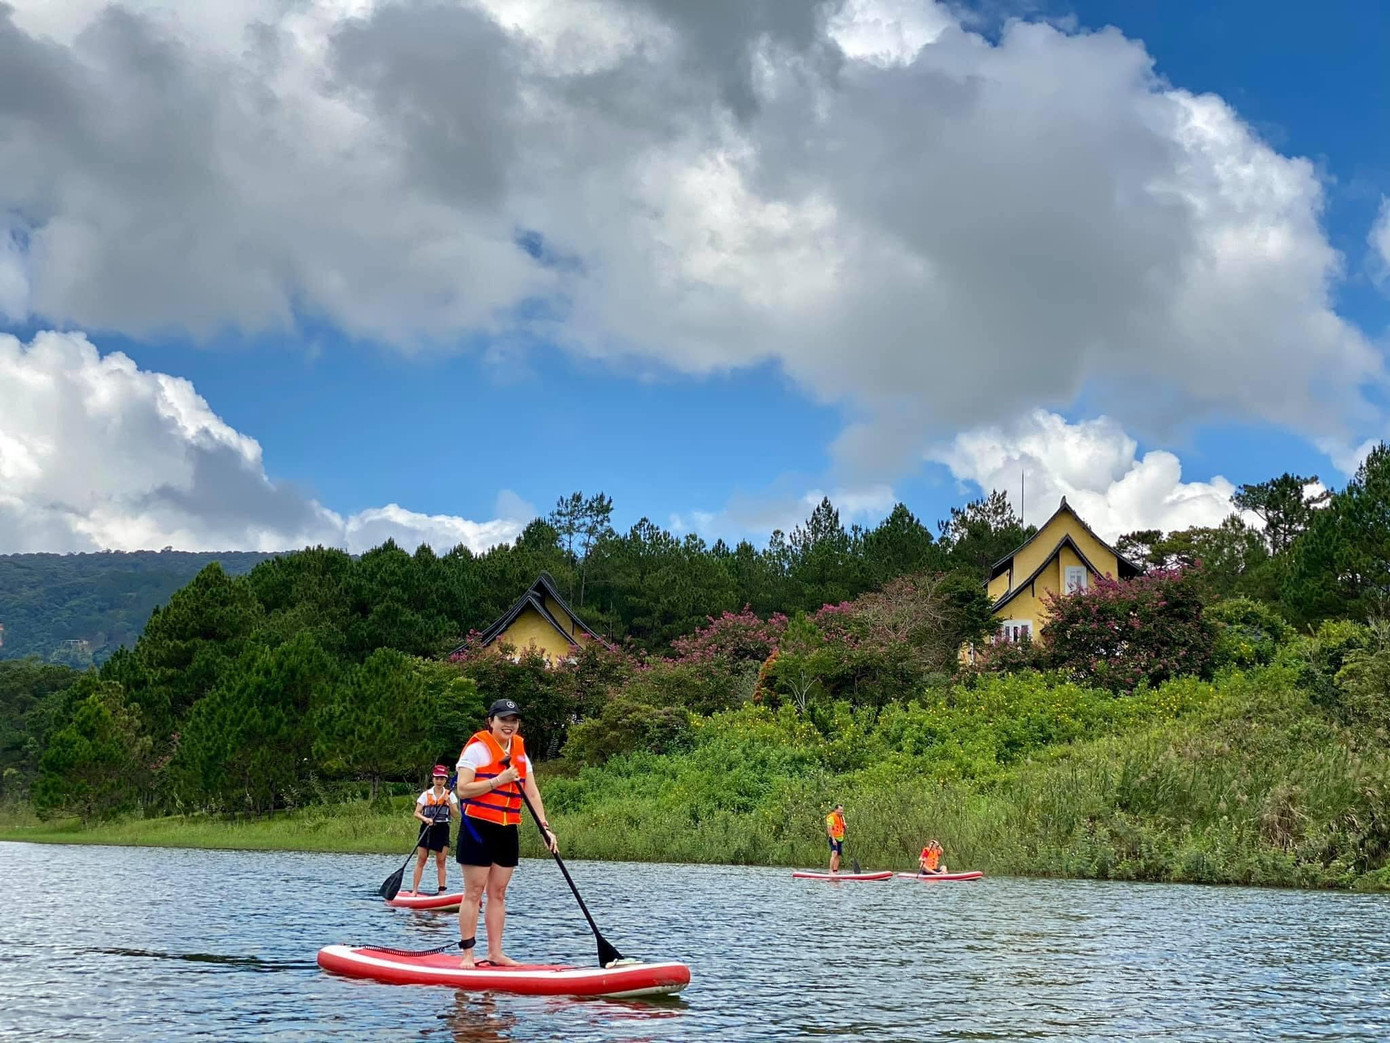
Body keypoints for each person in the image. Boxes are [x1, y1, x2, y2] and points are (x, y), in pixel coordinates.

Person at [454, 698, 558, 968]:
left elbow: (532, 792)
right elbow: (463, 790)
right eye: (503, 720)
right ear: (491, 721)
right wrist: (499, 780)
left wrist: (545, 828)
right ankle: (467, 954)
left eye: (514, 720)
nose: (509, 725)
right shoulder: (476, 750)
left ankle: (495, 953)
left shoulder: (521, 750)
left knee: (498, 893)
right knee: (474, 891)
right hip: (478, 826)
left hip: (507, 828)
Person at [407, 764, 459, 895]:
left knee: (441, 861)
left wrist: (449, 802)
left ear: (445, 780)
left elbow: (455, 814)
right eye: (437, 778)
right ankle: (414, 890)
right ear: (433, 779)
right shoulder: (426, 795)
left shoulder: (450, 795)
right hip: (427, 828)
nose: (439, 781)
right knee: (421, 859)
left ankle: (441, 891)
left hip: (442, 829)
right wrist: (425, 819)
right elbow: (416, 813)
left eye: (442, 778)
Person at [825, 803, 846, 873]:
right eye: (840, 810)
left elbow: (843, 826)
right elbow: (829, 829)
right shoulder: (831, 817)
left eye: (842, 810)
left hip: (840, 838)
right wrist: (833, 839)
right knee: (834, 853)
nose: (841, 811)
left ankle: (835, 871)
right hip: (833, 838)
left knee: (838, 855)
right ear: (836, 810)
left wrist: (845, 826)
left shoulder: (842, 817)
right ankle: (830, 871)